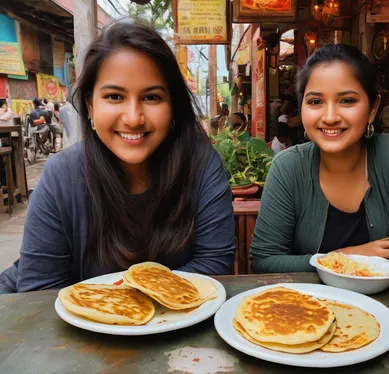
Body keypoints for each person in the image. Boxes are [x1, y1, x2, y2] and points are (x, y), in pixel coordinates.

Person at [0, 20, 235, 294]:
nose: (134, 118)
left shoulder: (201, 166)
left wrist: (132, 311)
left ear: (172, 105)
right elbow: (39, 292)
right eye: (114, 96)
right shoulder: (60, 176)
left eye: (151, 97)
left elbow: (215, 267)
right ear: (90, 105)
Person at [250, 44, 389, 274]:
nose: (329, 117)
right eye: (315, 102)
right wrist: (348, 258)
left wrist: (372, 261)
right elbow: (265, 260)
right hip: (309, 307)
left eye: (347, 100)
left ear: (372, 108)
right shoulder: (288, 167)